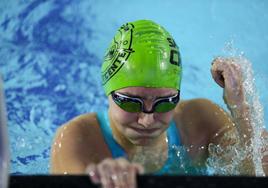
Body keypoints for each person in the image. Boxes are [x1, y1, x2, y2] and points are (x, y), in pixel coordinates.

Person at [50, 20, 268, 187]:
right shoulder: (77, 141)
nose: (147, 120)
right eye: (131, 102)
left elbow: (257, 172)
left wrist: (240, 110)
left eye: (165, 103)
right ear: (107, 91)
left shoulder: (200, 123)